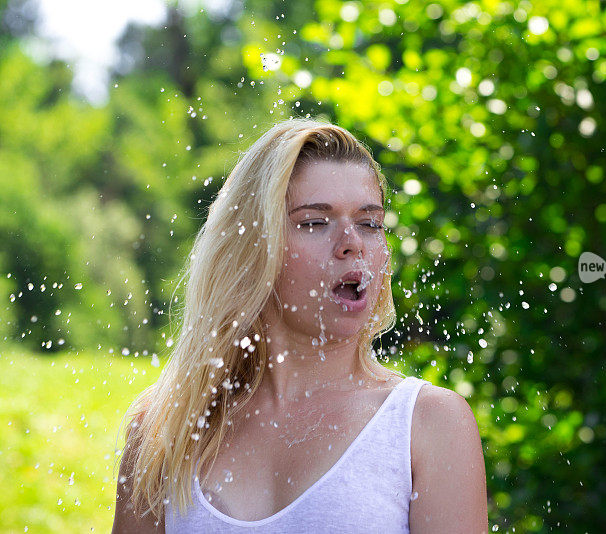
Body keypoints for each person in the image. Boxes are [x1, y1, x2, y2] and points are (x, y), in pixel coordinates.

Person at [111, 118, 488, 533]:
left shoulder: (426, 425)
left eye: (370, 223)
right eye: (314, 222)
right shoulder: (167, 428)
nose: (352, 242)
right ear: (254, 247)